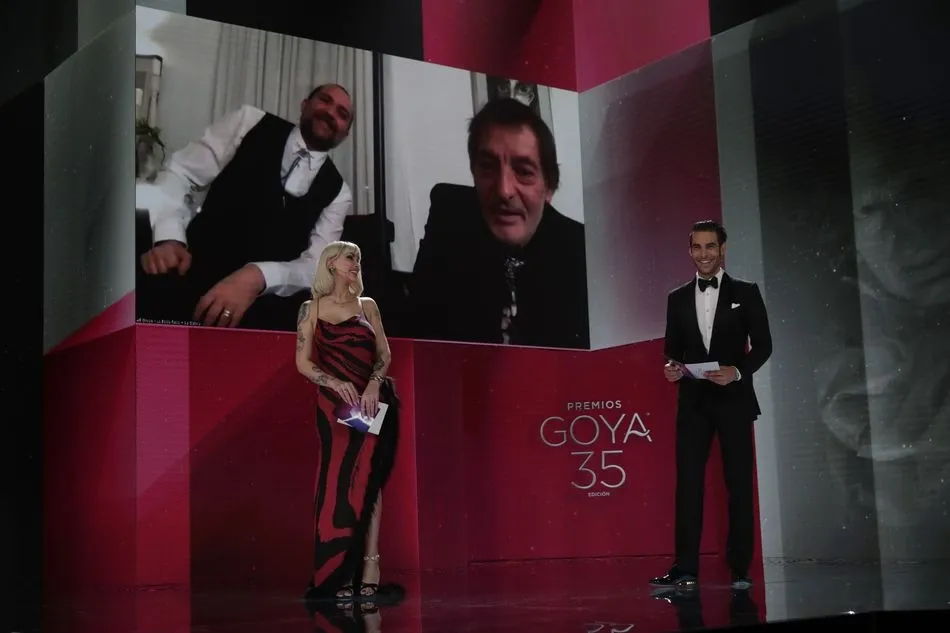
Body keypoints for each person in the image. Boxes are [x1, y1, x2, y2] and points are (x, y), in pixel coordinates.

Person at [137, 84, 354, 331]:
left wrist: (257, 276)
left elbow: (317, 265)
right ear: (305, 105)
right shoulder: (248, 121)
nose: (330, 112)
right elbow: (180, 172)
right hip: (190, 276)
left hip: (262, 310)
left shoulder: (339, 192)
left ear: (345, 134)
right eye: (324, 100)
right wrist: (169, 237)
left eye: (342, 114)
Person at [407, 97, 589, 349]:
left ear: (549, 187)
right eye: (488, 167)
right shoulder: (449, 222)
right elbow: (419, 332)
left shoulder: (581, 251)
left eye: (524, 172)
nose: (504, 191)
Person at [651, 220, 773, 591]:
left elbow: (764, 345)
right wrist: (672, 369)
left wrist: (737, 371)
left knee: (738, 484)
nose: (703, 254)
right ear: (690, 251)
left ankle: (740, 568)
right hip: (694, 403)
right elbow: (672, 350)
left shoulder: (746, 292)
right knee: (688, 485)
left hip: (734, 400)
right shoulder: (676, 298)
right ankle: (685, 568)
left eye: (710, 247)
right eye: (697, 247)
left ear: (722, 249)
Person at [295, 241, 401, 606]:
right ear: (331, 263)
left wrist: (373, 383)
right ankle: (335, 570)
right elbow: (303, 363)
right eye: (350, 257)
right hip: (333, 406)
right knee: (336, 482)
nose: (356, 263)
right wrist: (333, 381)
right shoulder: (310, 308)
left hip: (367, 404)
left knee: (368, 479)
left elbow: (384, 353)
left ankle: (370, 565)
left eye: (358, 258)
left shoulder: (367, 305)